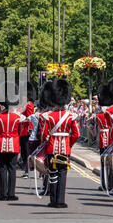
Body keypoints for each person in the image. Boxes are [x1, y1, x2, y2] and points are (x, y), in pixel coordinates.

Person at [41, 79, 80, 208]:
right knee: (63, 174)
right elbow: (76, 134)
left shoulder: (49, 116)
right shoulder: (70, 116)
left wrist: (45, 144)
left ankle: (53, 200)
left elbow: (44, 134)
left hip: (52, 147)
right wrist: (69, 144)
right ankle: (61, 200)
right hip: (65, 149)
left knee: (53, 174)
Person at [0, 82, 24, 201]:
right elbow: (20, 132)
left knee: (2, 168)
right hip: (14, 144)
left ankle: (3, 193)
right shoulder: (19, 117)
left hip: (1, 144)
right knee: (12, 168)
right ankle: (11, 193)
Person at [95, 84, 113, 191]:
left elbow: (96, 120)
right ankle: (111, 184)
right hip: (112, 138)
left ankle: (104, 184)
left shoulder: (100, 115)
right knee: (111, 164)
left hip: (103, 139)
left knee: (104, 164)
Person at [19, 82, 35, 174]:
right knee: (23, 150)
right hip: (22, 130)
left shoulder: (28, 104)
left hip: (26, 130)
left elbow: (30, 118)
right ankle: (26, 165)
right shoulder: (24, 104)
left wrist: (30, 129)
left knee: (25, 150)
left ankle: (27, 167)